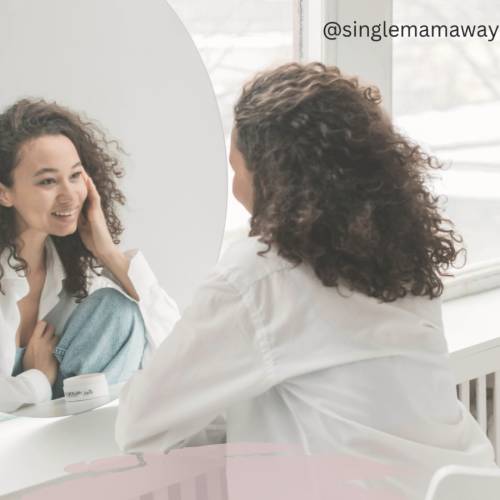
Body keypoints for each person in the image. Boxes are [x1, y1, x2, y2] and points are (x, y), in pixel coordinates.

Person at [115, 63, 496, 498]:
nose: (235, 188)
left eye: (235, 168)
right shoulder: (399, 258)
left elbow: (140, 425)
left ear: (272, 178)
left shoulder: (260, 276)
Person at [0, 99, 179, 413]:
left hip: (63, 433)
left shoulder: (73, 269)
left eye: (74, 176)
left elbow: (175, 352)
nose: (69, 195)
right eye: (47, 181)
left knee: (120, 311)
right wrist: (38, 378)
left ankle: (82, 449)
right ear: (5, 192)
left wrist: (108, 253)